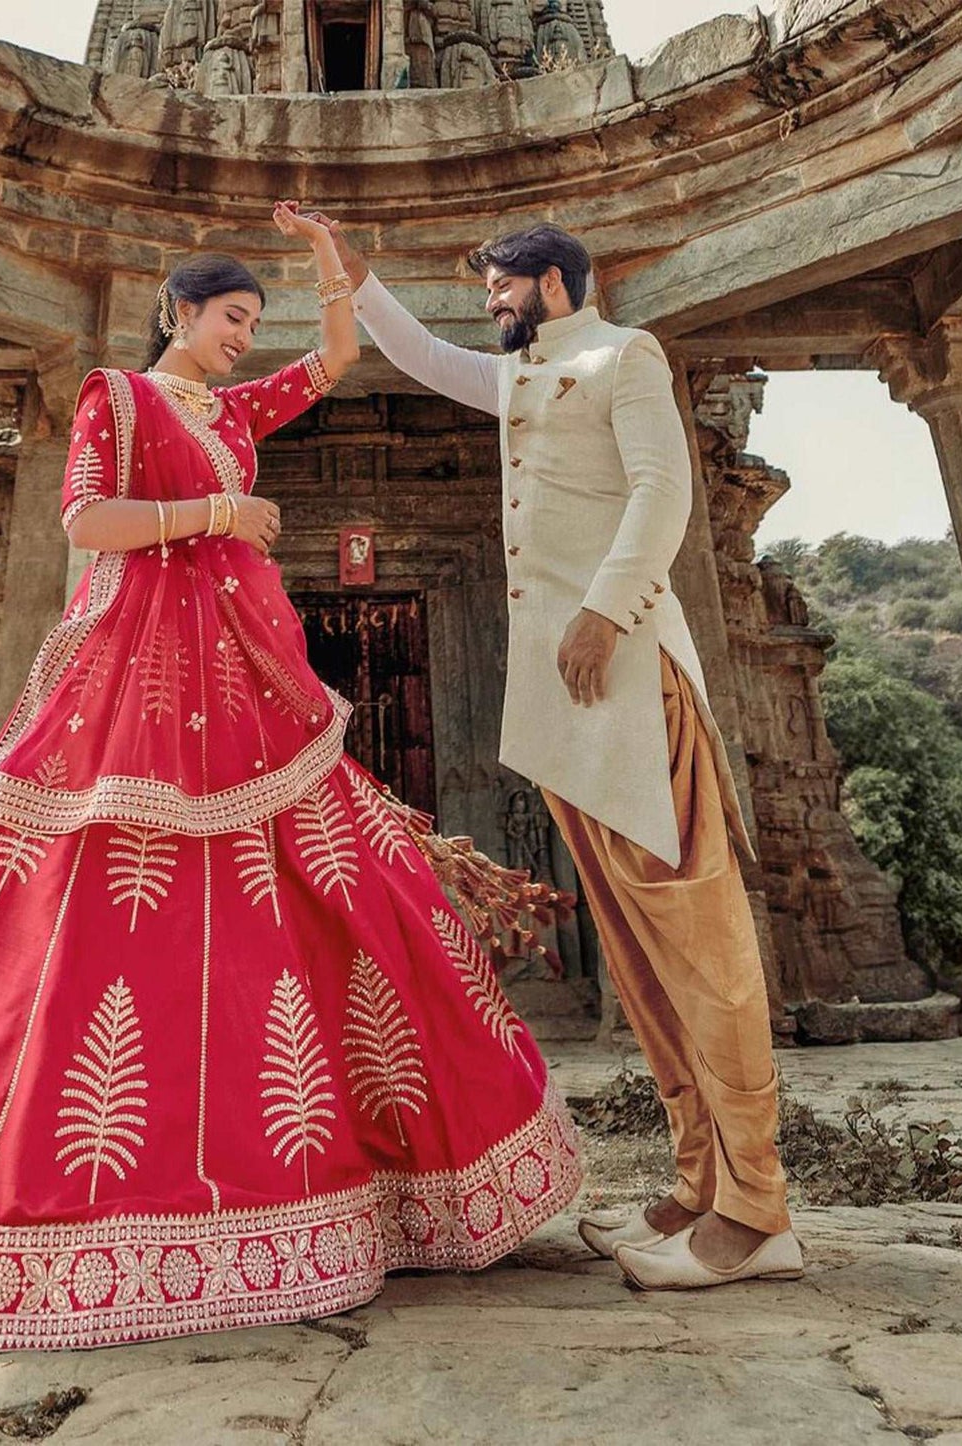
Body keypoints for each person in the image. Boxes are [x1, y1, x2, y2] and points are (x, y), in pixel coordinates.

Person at [0, 205, 582, 1353]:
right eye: (230, 318)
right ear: (177, 311)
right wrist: (216, 511)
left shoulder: (230, 409)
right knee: (82, 892)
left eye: (248, 323)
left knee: (319, 881)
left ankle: (353, 1177)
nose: (241, 339)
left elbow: (329, 362)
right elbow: (87, 517)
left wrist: (334, 274)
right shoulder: (116, 400)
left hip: (241, 670)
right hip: (137, 667)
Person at [313, 211, 801, 1290]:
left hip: (627, 669)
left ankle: (758, 1211)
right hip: (568, 696)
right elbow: (427, 358)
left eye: (498, 284)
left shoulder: (624, 355)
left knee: (697, 940)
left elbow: (661, 488)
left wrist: (606, 610)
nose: (486, 301)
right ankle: (694, 1187)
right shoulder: (529, 377)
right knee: (636, 949)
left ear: (551, 279)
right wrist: (360, 279)